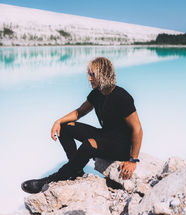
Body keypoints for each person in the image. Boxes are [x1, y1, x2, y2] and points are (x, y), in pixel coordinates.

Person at [21, 57, 143, 194]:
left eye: (93, 75)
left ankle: (52, 180)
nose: (89, 79)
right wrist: (58, 121)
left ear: (103, 74)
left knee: (89, 144)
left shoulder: (122, 97)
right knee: (65, 127)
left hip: (120, 145)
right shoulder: (97, 94)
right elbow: (79, 112)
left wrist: (133, 160)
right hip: (105, 135)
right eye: (89, 75)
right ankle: (76, 170)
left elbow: (137, 129)